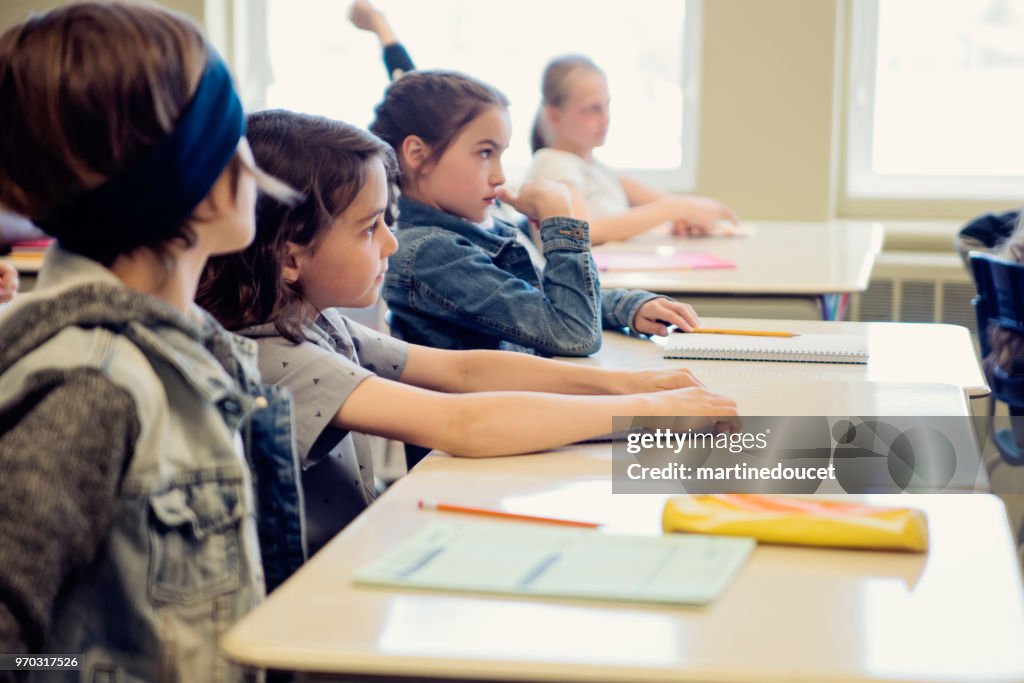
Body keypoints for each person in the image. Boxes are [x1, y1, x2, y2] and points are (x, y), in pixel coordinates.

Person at [198, 109, 739, 553]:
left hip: (359, 550)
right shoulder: (274, 359)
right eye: (370, 229)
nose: (390, 244)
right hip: (316, 599)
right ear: (291, 257)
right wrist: (647, 416)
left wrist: (629, 387)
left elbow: (462, 370)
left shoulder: (317, 322)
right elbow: (463, 423)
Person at [0, 3, 304, 679]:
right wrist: (84, 667)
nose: (253, 162)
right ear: (195, 182)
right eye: (234, 135)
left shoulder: (188, 348)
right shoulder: (93, 388)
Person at [371, 70, 705, 356]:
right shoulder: (431, 253)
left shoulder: (477, 228)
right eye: (485, 153)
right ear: (418, 154)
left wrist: (627, 308)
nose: (499, 175)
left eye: (501, 155)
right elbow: (574, 333)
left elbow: (546, 299)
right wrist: (561, 221)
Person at [528, 55, 739, 244]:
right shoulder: (552, 165)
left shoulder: (598, 170)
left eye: (606, 105)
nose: (606, 119)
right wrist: (676, 209)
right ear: (554, 116)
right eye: (592, 109)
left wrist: (682, 217)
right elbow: (583, 232)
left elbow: (660, 202)